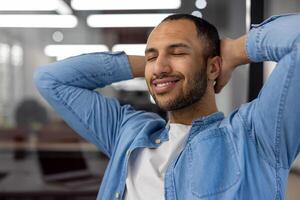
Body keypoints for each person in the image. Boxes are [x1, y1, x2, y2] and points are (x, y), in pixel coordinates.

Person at [34, 13, 300, 200]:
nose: (159, 67)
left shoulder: (255, 136)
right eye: (153, 56)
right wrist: (153, 66)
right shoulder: (128, 132)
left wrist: (235, 51)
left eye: (178, 52)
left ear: (213, 67)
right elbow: (51, 79)